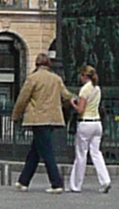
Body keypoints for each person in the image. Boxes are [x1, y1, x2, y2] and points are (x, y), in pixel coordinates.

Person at [13, 51, 74, 189]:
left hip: (37, 118)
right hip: (52, 118)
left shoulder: (33, 78)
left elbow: (22, 99)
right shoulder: (56, 78)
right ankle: (23, 181)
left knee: (46, 152)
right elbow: (65, 95)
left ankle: (56, 183)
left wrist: (16, 115)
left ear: (37, 64)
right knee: (35, 151)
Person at [68, 61, 110, 193]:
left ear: (84, 76)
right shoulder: (97, 89)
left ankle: (76, 185)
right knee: (96, 153)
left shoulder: (84, 90)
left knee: (81, 154)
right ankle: (105, 180)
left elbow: (80, 109)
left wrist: (72, 103)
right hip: (97, 123)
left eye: (81, 76)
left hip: (85, 123)